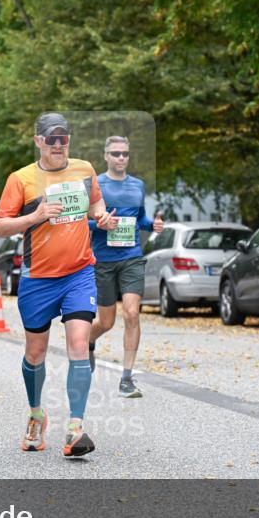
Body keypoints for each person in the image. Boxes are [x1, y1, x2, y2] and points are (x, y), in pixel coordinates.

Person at [0, 112, 116, 457]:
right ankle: (36, 415)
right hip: (37, 278)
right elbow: (0, 227)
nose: (58, 144)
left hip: (79, 273)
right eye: (51, 138)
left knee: (79, 345)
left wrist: (102, 216)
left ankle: (76, 428)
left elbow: (95, 202)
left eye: (63, 138)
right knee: (35, 353)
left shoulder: (85, 169)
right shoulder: (21, 179)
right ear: (38, 141)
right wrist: (35, 216)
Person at [87, 135, 164, 397]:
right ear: (106, 156)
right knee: (106, 322)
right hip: (103, 261)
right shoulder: (95, 185)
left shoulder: (137, 186)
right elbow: (80, 222)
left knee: (132, 314)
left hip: (131, 257)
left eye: (125, 154)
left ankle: (127, 378)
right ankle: (89, 340)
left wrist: (151, 225)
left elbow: (139, 219)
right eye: (116, 153)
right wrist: (99, 224)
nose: (121, 158)